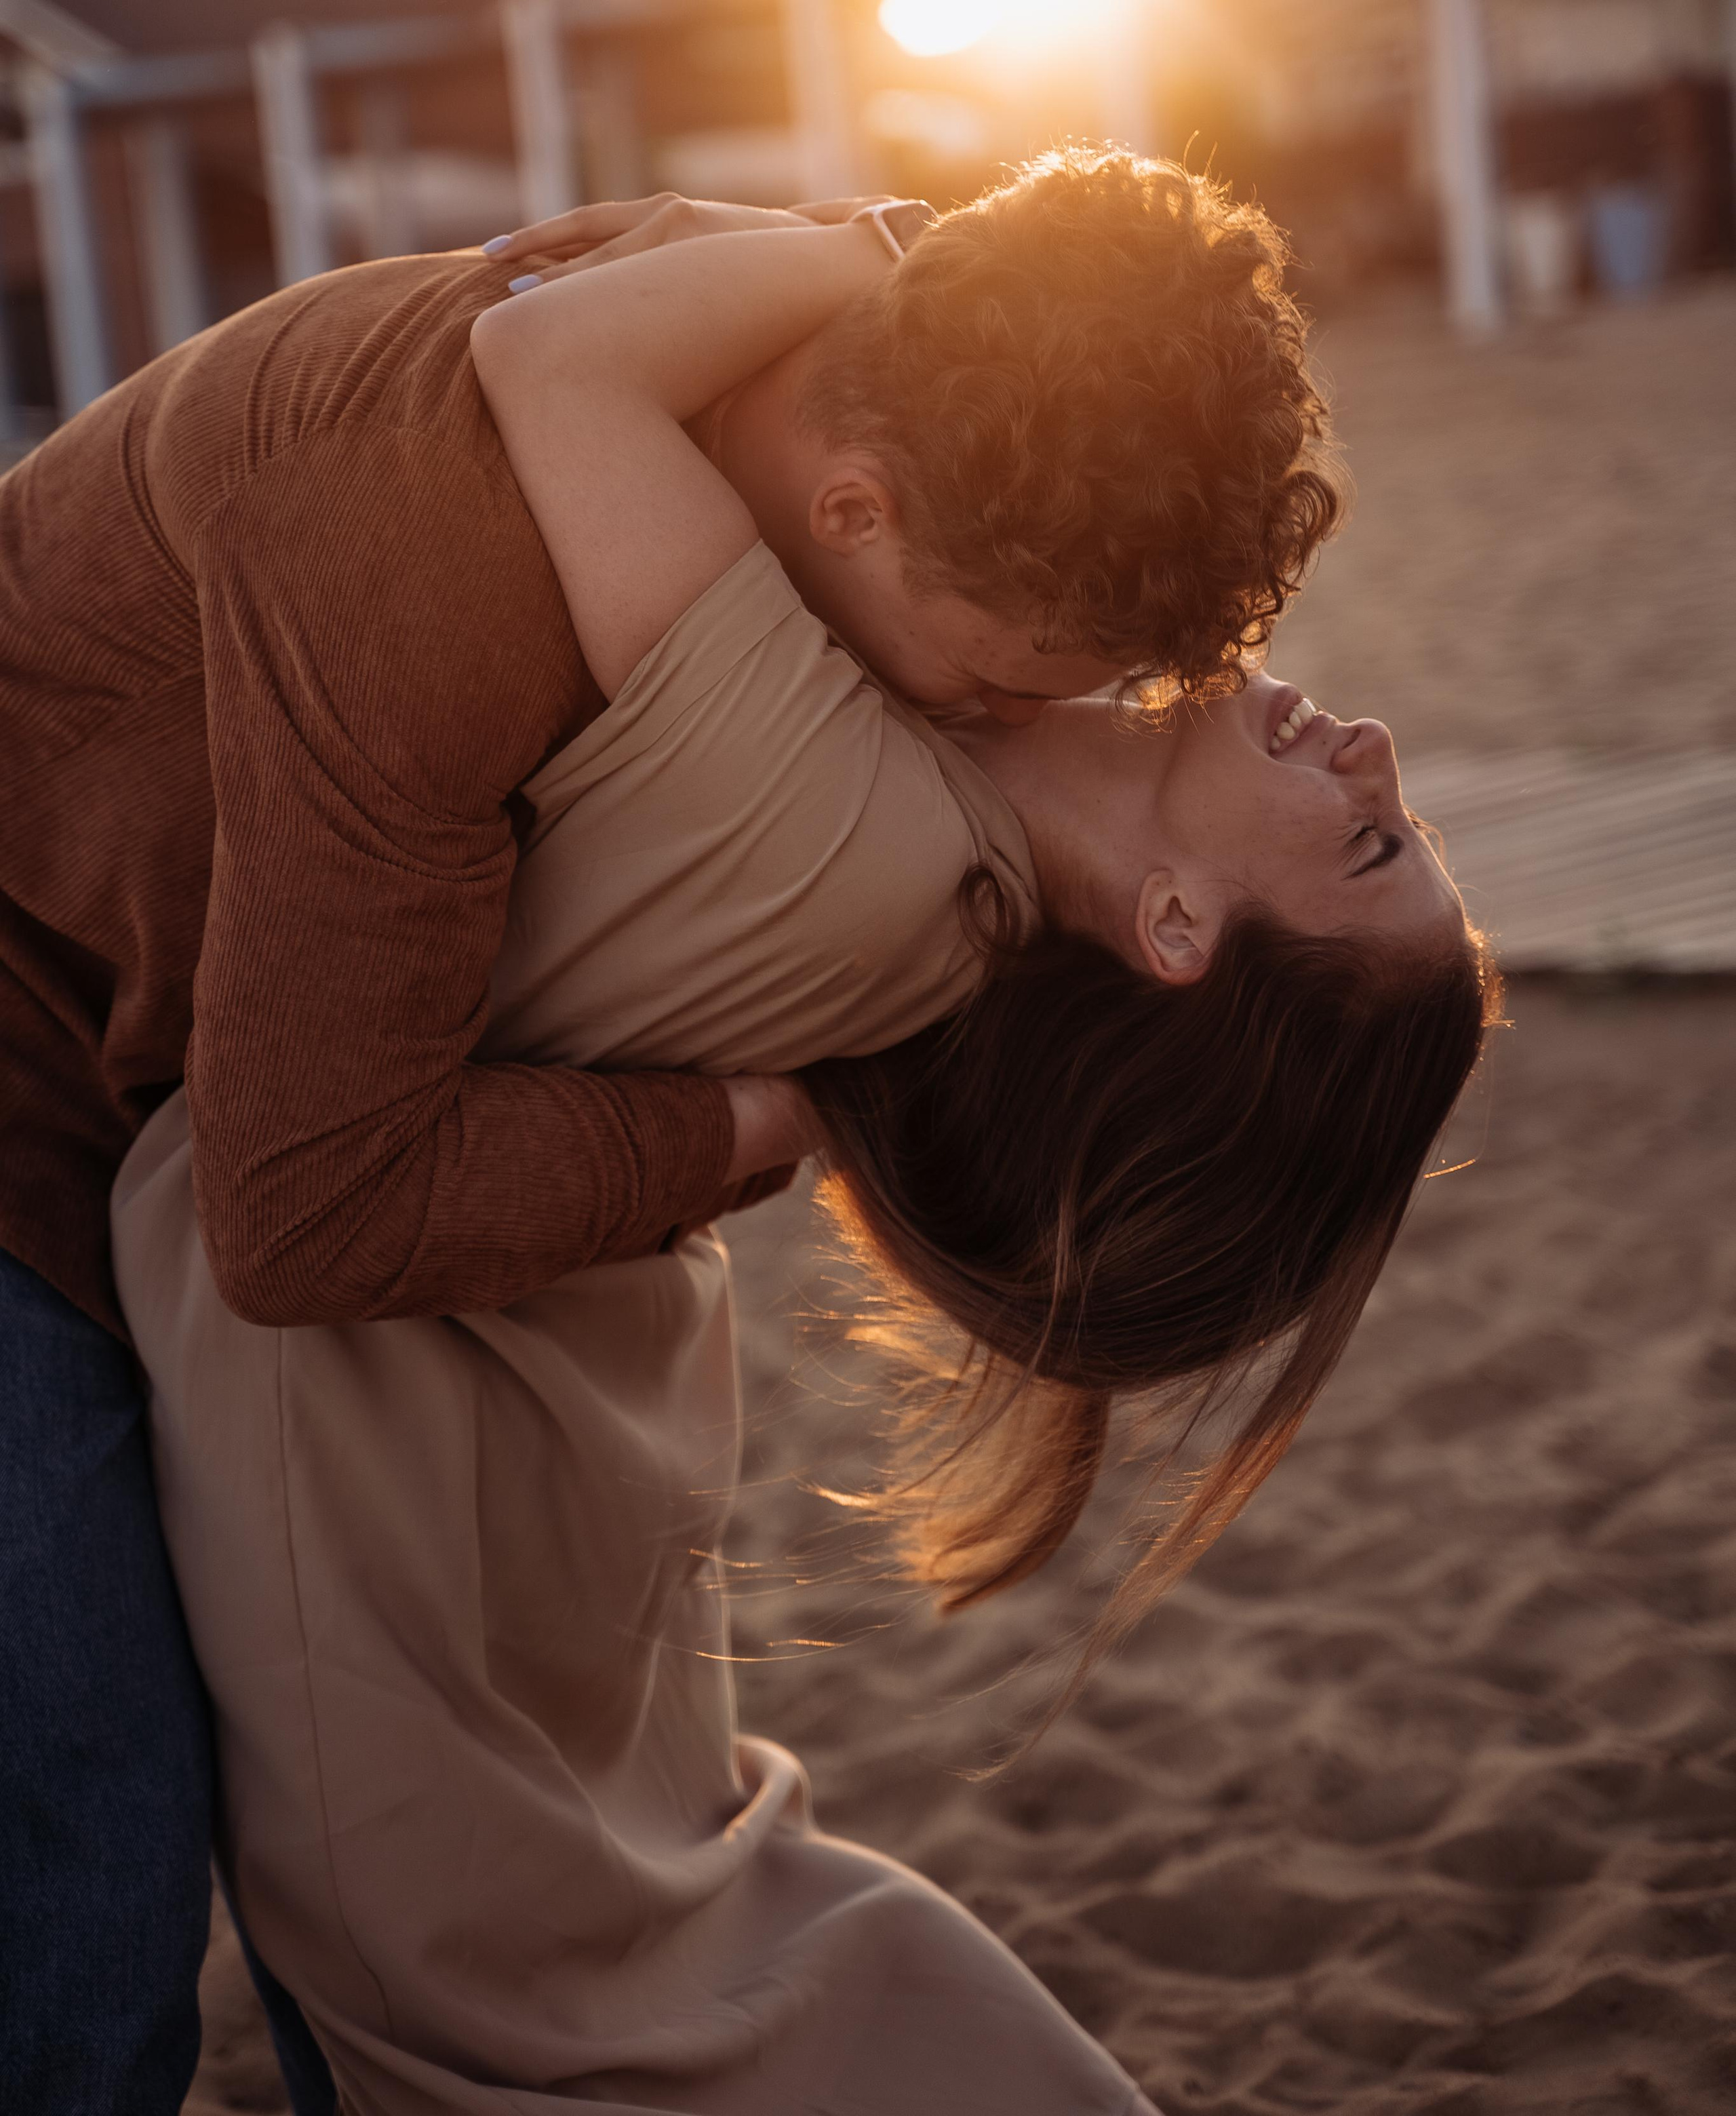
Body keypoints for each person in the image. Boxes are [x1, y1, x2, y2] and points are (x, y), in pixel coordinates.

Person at [104, 199, 1495, 2113]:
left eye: (1367, 850)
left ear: (1181, 932)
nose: (1379, 754)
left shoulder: (857, 848)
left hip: (342, 1404)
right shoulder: (923, 804)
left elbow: (553, 359)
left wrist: (882, 246)